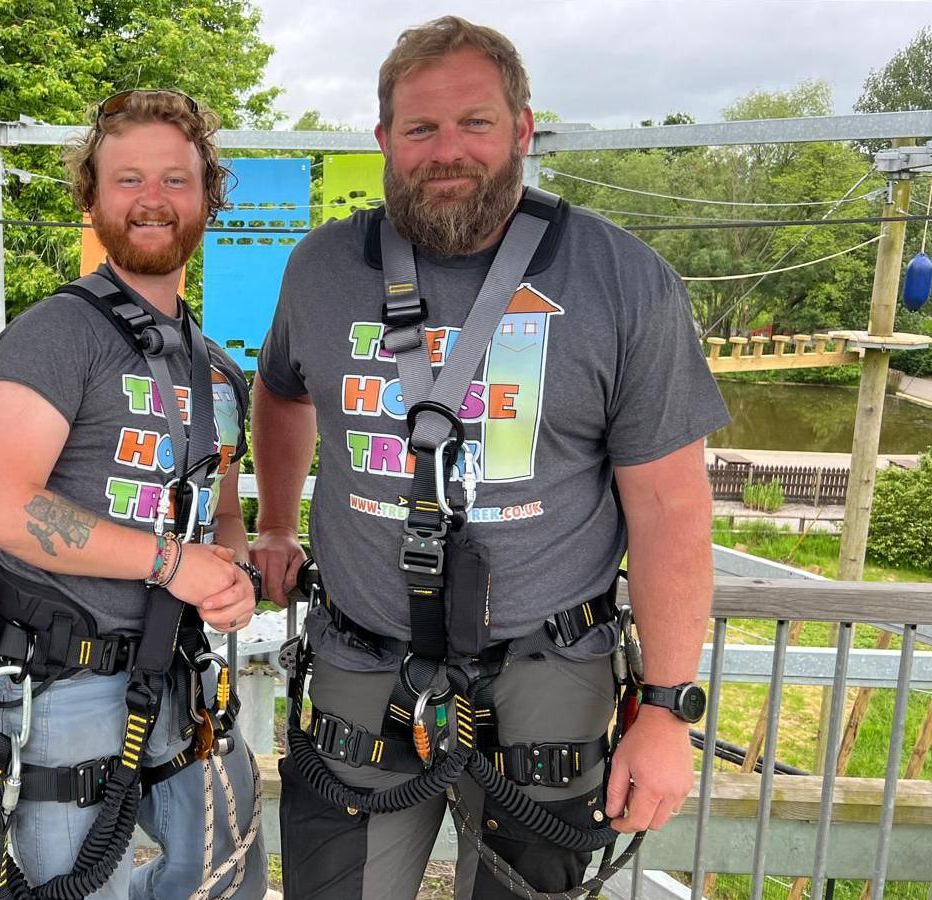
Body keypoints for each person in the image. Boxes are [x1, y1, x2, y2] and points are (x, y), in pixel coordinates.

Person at [251, 15, 727, 900]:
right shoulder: (321, 268)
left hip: (550, 669)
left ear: (523, 128)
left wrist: (665, 712)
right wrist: (274, 522)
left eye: (474, 122)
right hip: (362, 663)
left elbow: (670, 511)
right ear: (385, 138)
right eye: (421, 128)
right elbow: (280, 389)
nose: (447, 151)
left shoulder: (619, 279)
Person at [0, 89, 266, 900]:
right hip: (67, 677)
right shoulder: (56, 335)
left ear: (208, 195)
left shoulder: (215, 368)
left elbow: (223, 509)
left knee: (223, 874)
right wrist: (174, 565)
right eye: (127, 179)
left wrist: (229, 567)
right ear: (91, 198)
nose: (153, 199)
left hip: (178, 668)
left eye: (175, 179)